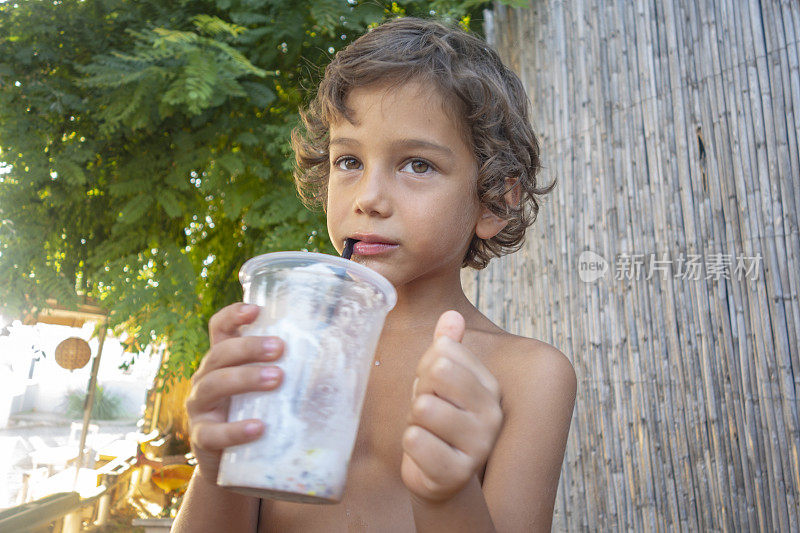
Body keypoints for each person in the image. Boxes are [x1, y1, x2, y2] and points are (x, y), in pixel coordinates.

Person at [173, 16, 576, 532]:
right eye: (348, 161)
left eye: (417, 165)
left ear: (496, 198)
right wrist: (214, 468)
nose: (368, 199)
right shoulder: (290, 345)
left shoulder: (526, 376)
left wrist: (446, 497)